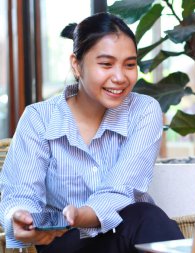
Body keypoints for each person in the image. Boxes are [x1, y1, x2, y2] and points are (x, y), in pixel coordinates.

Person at [0, 12, 184, 253]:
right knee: (145, 218)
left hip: (129, 232)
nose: (120, 77)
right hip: (65, 243)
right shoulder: (39, 118)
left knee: (145, 216)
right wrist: (20, 218)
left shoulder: (144, 111)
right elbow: (20, 194)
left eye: (130, 64)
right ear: (76, 65)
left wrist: (81, 215)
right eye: (106, 64)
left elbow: (123, 188)